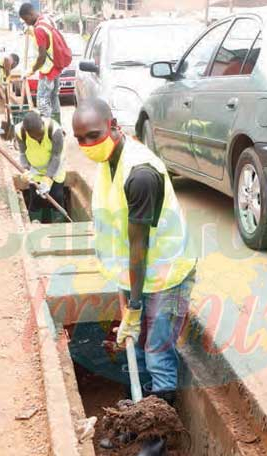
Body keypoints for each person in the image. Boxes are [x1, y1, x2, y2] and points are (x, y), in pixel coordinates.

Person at [72, 98, 197, 412]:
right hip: (135, 271)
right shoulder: (108, 161)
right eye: (80, 138)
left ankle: (157, 434)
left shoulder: (140, 174)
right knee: (136, 346)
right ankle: (137, 415)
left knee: (156, 350)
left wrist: (135, 305)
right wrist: (126, 292)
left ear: (114, 126)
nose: (87, 144)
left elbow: (139, 245)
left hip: (166, 273)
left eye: (93, 135)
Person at [13, 111, 69, 223]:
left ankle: (58, 224)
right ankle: (35, 223)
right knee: (36, 198)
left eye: (40, 134)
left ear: (42, 125)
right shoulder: (20, 131)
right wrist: (26, 170)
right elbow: (23, 153)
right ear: (28, 132)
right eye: (34, 136)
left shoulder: (54, 131)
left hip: (55, 168)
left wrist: (48, 179)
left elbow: (56, 157)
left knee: (56, 196)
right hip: (36, 171)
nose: (38, 138)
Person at [19, 2, 67, 122]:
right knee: (53, 97)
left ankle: (48, 131)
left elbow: (42, 56)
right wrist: (31, 30)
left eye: (26, 19)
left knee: (42, 101)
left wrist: (31, 70)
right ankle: (57, 126)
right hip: (56, 67)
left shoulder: (39, 30)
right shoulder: (46, 19)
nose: (26, 22)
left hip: (47, 70)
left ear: (30, 14)